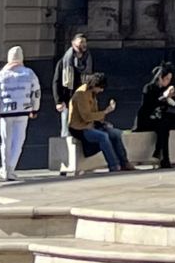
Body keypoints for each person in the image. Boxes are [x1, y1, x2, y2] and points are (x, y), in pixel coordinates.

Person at [0, 46, 41, 181]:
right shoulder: (29, 74)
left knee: (6, 141)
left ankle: (5, 169)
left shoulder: (0, 76)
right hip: (23, 111)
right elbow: (36, 93)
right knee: (18, 141)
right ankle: (11, 168)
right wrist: (34, 109)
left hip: (6, 112)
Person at [66, 73, 132, 173]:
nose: (101, 90)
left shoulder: (92, 94)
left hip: (91, 125)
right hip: (80, 128)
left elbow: (94, 114)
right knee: (103, 137)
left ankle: (124, 162)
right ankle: (114, 165)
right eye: (100, 88)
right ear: (95, 85)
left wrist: (103, 123)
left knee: (115, 134)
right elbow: (86, 116)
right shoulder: (81, 94)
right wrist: (105, 112)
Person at [52, 32, 92, 176]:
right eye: (80, 42)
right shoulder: (64, 61)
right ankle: (64, 165)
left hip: (83, 102)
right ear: (73, 44)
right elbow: (56, 82)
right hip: (68, 102)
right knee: (66, 133)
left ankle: (80, 165)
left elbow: (92, 80)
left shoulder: (88, 60)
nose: (83, 45)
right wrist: (58, 101)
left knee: (84, 132)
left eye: (84, 42)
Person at [134, 64, 175, 169]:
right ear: (160, 78)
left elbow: (173, 105)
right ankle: (164, 158)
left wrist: (170, 96)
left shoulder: (166, 89)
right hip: (147, 119)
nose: (168, 81)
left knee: (169, 122)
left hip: (160, 120)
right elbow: (149, 106)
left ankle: (159, 152)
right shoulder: (149, 88)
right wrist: (164, 97)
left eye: (170, 79)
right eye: (167, 79)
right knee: (164, 125)